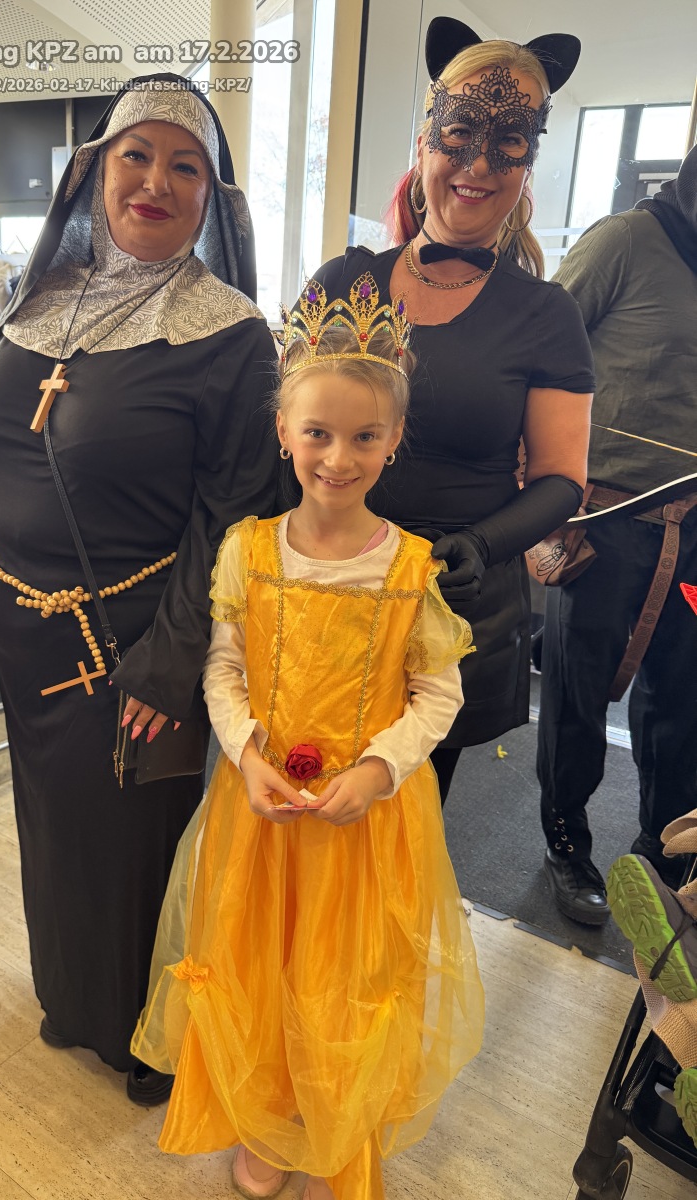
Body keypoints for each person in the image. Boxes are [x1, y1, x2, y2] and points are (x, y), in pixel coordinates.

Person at [0, 75, 280, 1105]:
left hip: (134, 646)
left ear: (212, 196)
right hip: (24, 636)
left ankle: (144, 1033)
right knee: (53, 830)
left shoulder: (229, 334)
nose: (155, 181)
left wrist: (169, 666)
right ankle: (74, 996)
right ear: (94, 171)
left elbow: (236, 517)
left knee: (135, 849)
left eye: (185, 165)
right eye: (137, 155)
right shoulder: (39, 300)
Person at [132, 287, 484, 1200]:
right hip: (262, 813)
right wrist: (247, 756)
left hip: (364, 824)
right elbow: (223, 671)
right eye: (318, 433)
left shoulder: (411, 567)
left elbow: (438, 694)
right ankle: (268, 1118)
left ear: (394, 440)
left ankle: (335, 1126)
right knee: (263, 966)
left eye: (364, 437)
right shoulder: (246, 550)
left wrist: (378, 770)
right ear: (284, 430)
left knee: (345, 978)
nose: (338, 457)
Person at [302, 17, 594, 803]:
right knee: (298, 815)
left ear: (529, 160)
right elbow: (282, 437)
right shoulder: (343, 282)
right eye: (460, 132)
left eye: (509, 141)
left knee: (401, 826)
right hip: (322, 592)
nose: (478, 164)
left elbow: (562, 479)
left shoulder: (547, 315)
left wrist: (480, 545)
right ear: (424, 141)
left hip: (450, 607)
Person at [535, 143, 697, 923]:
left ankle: (661, 855)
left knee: (684, 696)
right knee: (577, 691)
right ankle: (566, 843)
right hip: (604, 522)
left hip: (696, 531)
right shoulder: (625, 242)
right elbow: (539, 356)